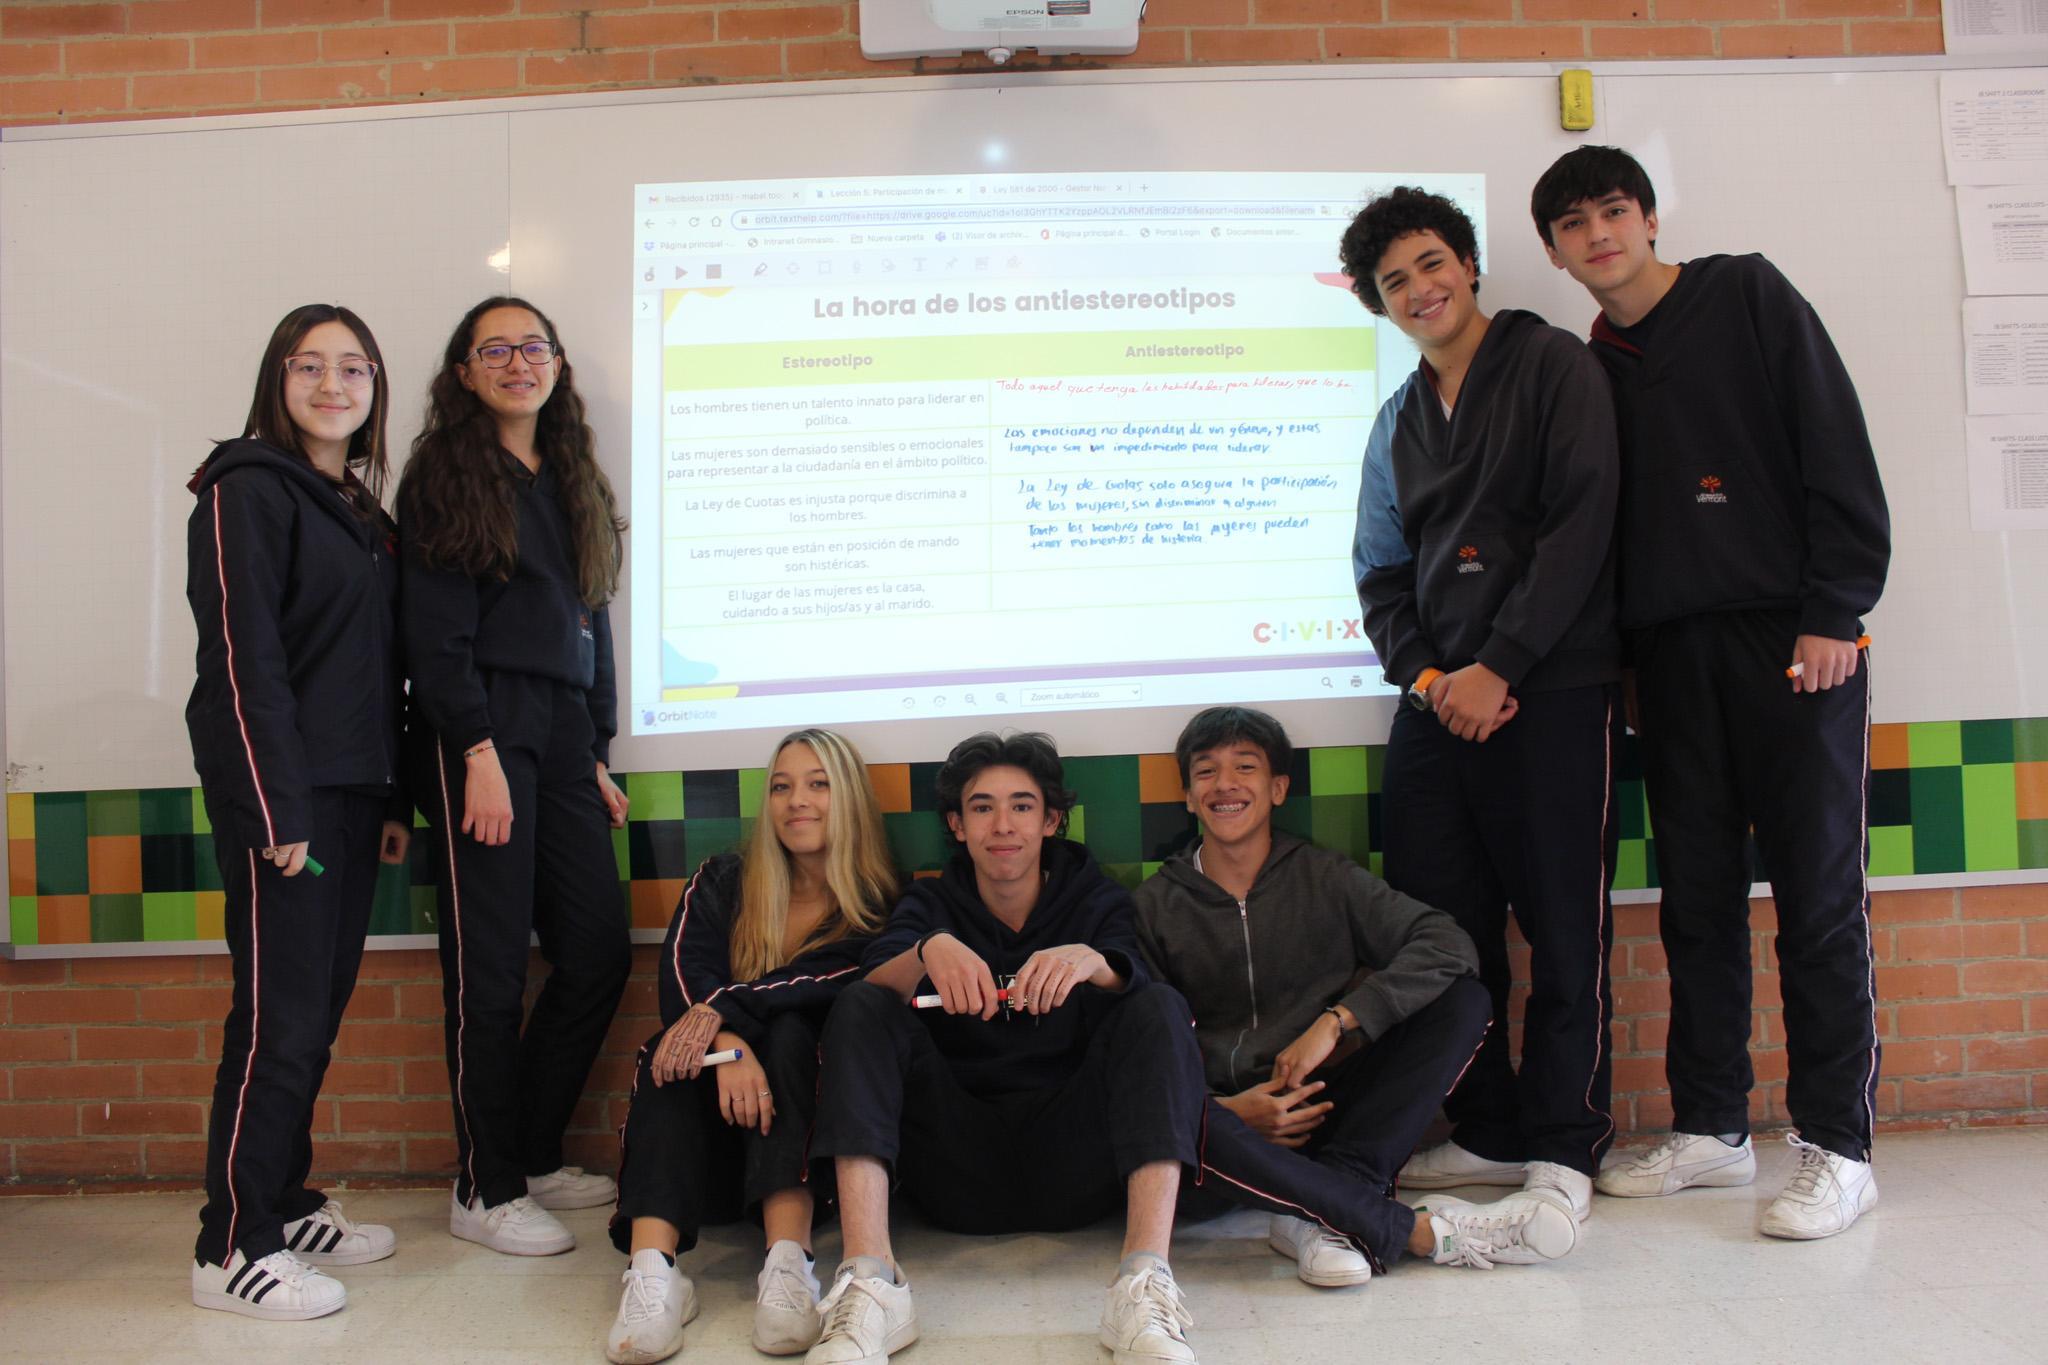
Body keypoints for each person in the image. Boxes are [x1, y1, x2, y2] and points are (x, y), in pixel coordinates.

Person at [1532, 146, 1891, 1239]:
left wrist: (1835, 607)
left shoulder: (1746, 293)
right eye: (1573, 224)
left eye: (1613, 210)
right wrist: (1631, 666)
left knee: (1815, 900)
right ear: (1553, 251)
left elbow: (1834, 441)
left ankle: (1837, 1147)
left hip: (1793, 641)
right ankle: (1712, 1126)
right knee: (1696, 901)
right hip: (1670, 659)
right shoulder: (1591, 363)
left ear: (1647, 218)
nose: (1598, 234)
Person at [1345, 186, 1624, 1224]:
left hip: (1551, 690)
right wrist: (1427, 679)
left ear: (1467, 264)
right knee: (1444, 931)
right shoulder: (1396, 420)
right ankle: (1487, 1126)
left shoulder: (1554, 365)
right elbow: (1379, 573)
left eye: (1431, 264)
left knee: (1563, 926)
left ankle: (1565, 1140)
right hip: (1434, 709)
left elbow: (1581, 522)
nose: (1419, 289)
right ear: (1380, 306)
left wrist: (1498, 665)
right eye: (1393, 283)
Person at [1135, 707, 1577, 1285]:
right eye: (1206, 772)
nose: (1225, 785)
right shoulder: (1154, 905)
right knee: (1164, 1127)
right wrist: (1227, 1110)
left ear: (1278, 788)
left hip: (1326, 1112)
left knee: (1463, 1001)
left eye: (1245, 767)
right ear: (1189, 797)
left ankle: (1336, 1195)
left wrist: (1338, 1021)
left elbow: (1448, 945)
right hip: (1224, 1136)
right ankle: (1357, 1215)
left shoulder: (1324, 877)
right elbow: (1143, 1048)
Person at [185, 304, 412, 1320]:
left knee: (314, 1015)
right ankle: (231, 1245)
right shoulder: (243, 489)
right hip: (288, 806)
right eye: (309, 365)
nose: (332, 384)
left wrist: (392, 796)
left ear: (374, 389)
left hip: (353, 795)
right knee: (277, 1022)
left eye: (353, 368)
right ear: (276, 379)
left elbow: (378, 667)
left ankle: (282, 1198)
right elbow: (242, 663)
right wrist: (274, 806)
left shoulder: (360, 512)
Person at [400, 295, 633, 1256]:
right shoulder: (445, 475)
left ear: (558, 365)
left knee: (598, 950)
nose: (516, 362)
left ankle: (530, 1153)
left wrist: (597, 751)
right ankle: (483, 1183)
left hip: (563, 732)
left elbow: (592, 621)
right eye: (493, 350)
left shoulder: (571, 474)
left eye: (533, 346)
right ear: (464, 373)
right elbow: (433, 637)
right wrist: (475, 752)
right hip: (481, 728)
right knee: (489, 968)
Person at [605, 729, 898, 1365]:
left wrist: (726, 1012)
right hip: (704, 1156)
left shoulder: (878, 905)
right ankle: (653, 1270)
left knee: (793, 1032)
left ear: (849, 797)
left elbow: (823, 982)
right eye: (782, 787)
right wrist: (730, 1042)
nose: (798, 801)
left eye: (818, 784)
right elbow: (682, 977)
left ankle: (788, 1262)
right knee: (671, 1051)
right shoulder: (722, 878)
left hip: (800, 1149)